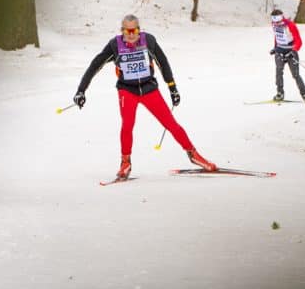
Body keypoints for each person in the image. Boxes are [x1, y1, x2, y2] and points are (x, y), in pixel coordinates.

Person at [73, 14, 216, 179]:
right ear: (122, 31)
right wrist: (81, 90)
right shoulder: (115, 45)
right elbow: (94, 65)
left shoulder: (148, 41)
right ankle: (125, 162)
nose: (132, 34)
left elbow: (163, 63)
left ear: (139, 30)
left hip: (149, 89)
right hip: (127, 90)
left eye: (135, 30)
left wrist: (173, 89)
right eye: (128, 31)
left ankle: (193, 155)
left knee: (171, 124)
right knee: (127, 125)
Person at [269, 9, 305, 104]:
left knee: (295, 75)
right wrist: (275, 48)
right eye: (274, 22)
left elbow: (299, 40)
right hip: (280, 50)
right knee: (279, 72)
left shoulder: (290, 25)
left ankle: (304, 94)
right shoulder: (274, 24)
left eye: (278, 21)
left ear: (282, 17)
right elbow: (277, 36)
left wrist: (293, 51)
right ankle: (280, 93)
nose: (276, 23)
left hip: (291, 51)